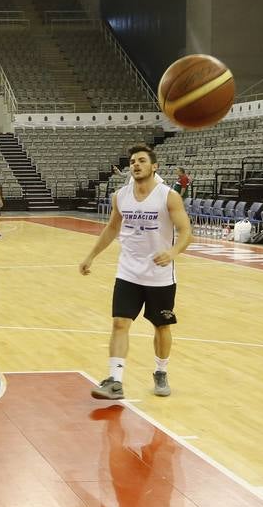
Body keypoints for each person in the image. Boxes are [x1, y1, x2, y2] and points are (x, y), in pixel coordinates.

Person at [80, 142, 193, 400]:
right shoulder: (120, 195)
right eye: (132, 162)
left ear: (154, 166)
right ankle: (115, 380)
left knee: (161, 327)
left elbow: (186, 231)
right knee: (120, 323)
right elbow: (111, 228)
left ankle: (160, 371)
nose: (136, 165)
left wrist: (173, 252)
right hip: (128, 272)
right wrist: (91, 256)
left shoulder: (168, 196)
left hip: (160, 275)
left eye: (141, 160)